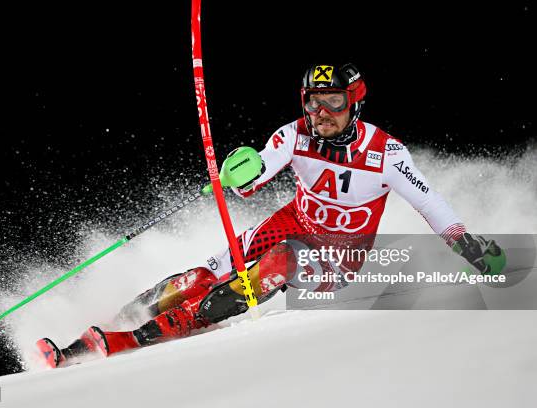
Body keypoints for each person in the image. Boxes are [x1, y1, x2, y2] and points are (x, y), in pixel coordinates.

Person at [36, 63, 504, 368]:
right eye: (312, 101)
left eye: (334, 102)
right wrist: (243, 170)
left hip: (338, 255)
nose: (320, 113)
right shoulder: (294, 133)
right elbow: (258, 173)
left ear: (355, 102)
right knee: (200, 276)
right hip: (291, 221)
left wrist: (467, 242)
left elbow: (429, 202)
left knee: (277, 264)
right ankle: (102, 330)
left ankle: (139, 339)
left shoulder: (386, 153)